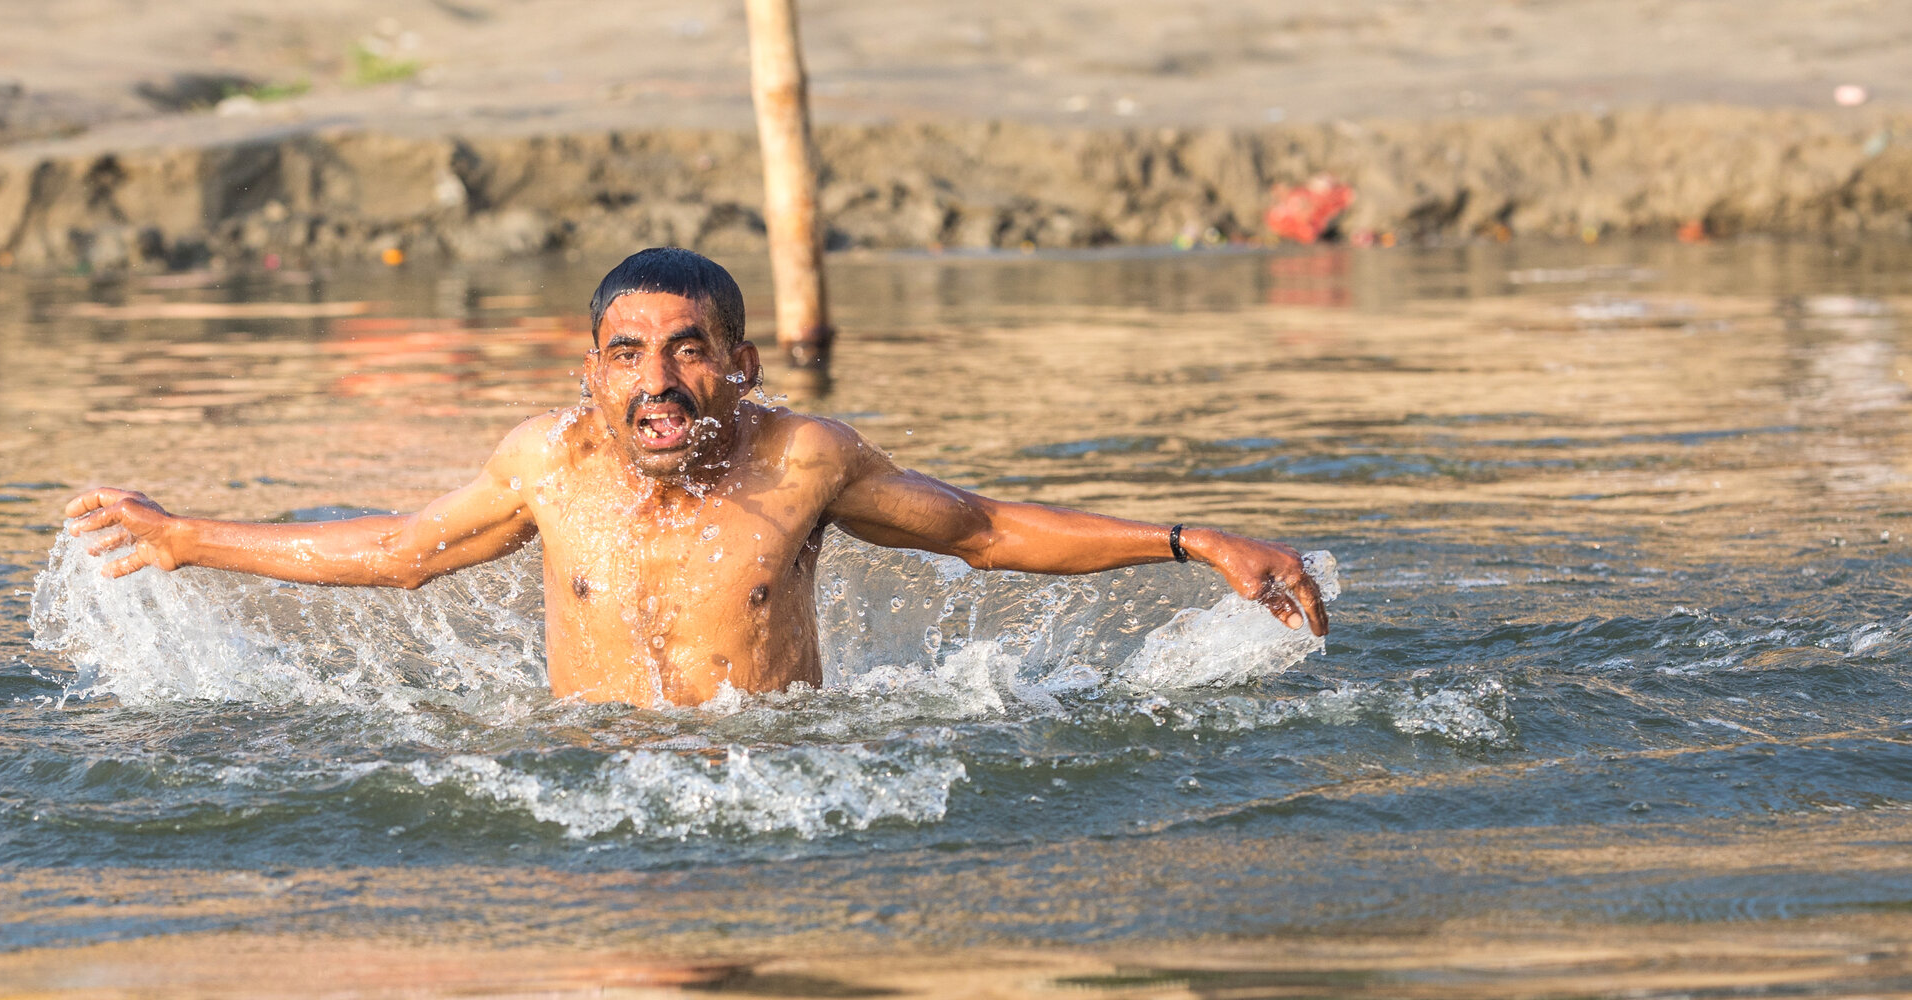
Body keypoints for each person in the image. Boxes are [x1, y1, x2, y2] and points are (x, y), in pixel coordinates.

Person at [66, 247, 1328, 708]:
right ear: (591, 371)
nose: (656, 382)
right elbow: (399, 549)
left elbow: (984, 530)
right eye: (627, 356)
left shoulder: (804, 458)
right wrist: (183, 539)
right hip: (590, 780)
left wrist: (1188, 539)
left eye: (687, 352)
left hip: (772, 783)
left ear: (739, 363)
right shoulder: (545, 464)